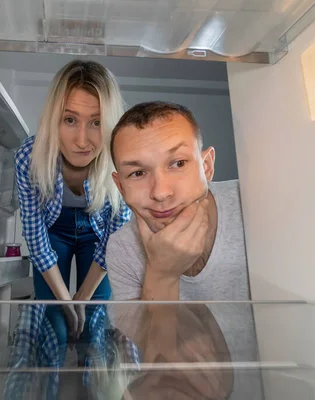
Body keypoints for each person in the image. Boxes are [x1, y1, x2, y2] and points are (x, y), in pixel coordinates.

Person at [105, 101, 264, 399]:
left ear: (206, 165)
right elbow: (156, 365)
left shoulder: (257, 203)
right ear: (120, 184)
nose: (161, 193)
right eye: (138, 173)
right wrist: (162, 273)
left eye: (178, 163)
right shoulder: (122, 250)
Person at [14, 60, 131, 368]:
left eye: (96, 122)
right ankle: (48, 383)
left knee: (95, 314)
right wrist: (66, 301)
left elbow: (116, 234)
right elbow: (35, 235)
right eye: (70, 120)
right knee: (53, 315)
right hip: (53, 232)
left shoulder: (123, 159)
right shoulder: (28, 156)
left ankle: (93, 382)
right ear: (54, 119)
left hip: (101, 234)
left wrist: (82, 298)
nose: (82, 140)